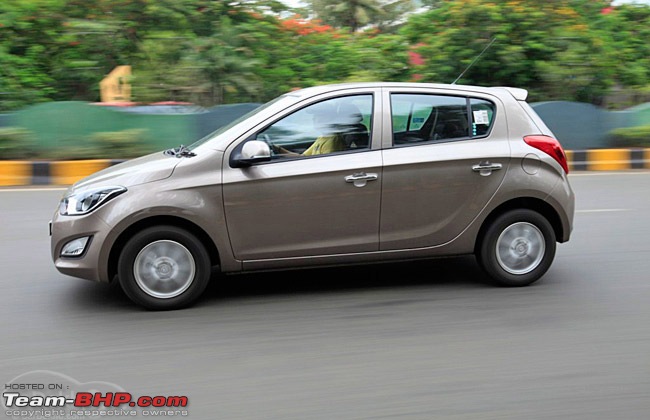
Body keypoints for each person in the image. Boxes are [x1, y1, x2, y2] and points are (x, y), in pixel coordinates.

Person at [274, 102, 346, 156]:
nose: (314, 118)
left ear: (329, 117)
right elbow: (303, 157)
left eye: (318, 115)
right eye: (314, 116)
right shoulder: (322, 137)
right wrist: (279, 149)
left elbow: (326, 166)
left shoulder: (333, 140)